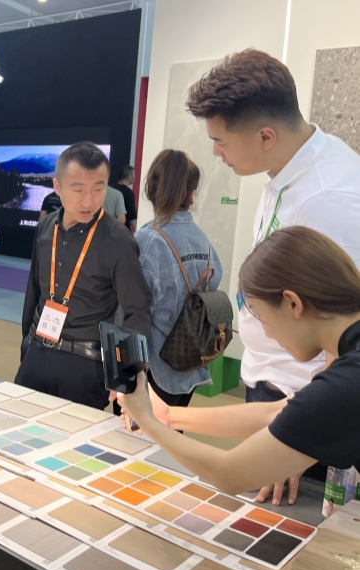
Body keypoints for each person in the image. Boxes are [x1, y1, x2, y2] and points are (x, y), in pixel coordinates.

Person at [187, 48, 360, 504]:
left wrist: (303, 439)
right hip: (274, 385)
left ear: (265, 135)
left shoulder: (328, 197)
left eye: (221, 141)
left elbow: (343, 324)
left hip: (303, 399)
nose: (216, 152)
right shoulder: (286, 168)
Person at [119, 227, 360, 500]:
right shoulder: (348, 356)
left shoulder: (348, 380)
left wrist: (148, 420)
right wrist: (168, 416)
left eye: (259, 315)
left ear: (292, 303)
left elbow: (230, 474)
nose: (266, 333)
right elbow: (276, 412)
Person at [17, 142, 151, 410]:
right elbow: (34, 290)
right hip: (37, 350)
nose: (89, 201)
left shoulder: (118, 241)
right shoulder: (46, 228)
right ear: (57, 187)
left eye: (98, 189)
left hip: (85, 366)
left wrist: (125, 375)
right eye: (78, 190)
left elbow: (138, 310)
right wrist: (27, 345)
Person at [134, 150, 223, 407]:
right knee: (172, 428)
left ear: (149, 191)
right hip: (192, 360)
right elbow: (213, 284)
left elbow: (131, 313)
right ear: (192, 195)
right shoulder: (203, 240)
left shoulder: (147, 242)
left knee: (138, 431)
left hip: (154, 368)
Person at [117, 165, 138, 231]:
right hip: (122, 231)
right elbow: (131, 215)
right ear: (129, 177)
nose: (135, 177)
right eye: (134, 174)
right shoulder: (128, 193)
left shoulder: (111, 190)